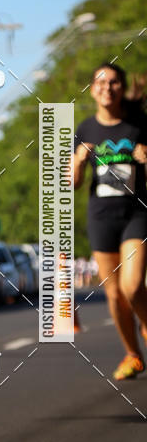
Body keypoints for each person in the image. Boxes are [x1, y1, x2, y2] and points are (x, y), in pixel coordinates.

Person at [74, 63, 147, 380]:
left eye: (114, 82)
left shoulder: (139, 125)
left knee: (133, 287)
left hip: (136, 214)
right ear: (92, 89)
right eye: (101, 82)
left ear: (122, 87)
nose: (108, 87)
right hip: (101, 216)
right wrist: (77, 159)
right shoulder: (85, 129)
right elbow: (71, 184)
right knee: (114, 294)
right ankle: (133, 355)